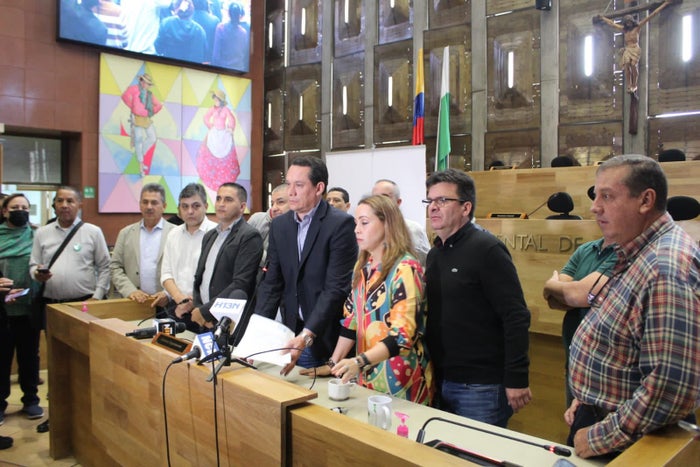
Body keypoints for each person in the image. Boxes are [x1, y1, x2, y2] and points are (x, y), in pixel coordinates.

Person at [565, 155, 700, 459]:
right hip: (606, 419)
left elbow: (669, 389)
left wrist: (600, 436)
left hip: (628, 444)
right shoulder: (637, 251)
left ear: (645, 201)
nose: (594, 207)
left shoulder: (664, 267)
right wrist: (588, 398)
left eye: (607, 196)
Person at [424, 169, 531, 428]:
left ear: (466, 207)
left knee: (479, 451)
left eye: (442, 200)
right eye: (430, 200)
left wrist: (517, 377)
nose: (433, 207)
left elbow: (515, 316)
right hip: (442, 378)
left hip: (481, 386)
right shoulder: (435, 254)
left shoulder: (486, 249)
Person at [300, 196, 433, 405]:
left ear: (388, 224)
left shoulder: (405, 268)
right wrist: (334, 363)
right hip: (367, 376)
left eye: (364, 223)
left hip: (402, 381)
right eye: (356, 223)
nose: (357, 230)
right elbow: (352, 321)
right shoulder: (364, 267)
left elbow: (402, 337)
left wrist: (358, 361)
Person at [254, 156, 358, 376]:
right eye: (288, 184)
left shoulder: (340, 224)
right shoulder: (280, 225)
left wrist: (307, 334)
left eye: (299, 185)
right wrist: (256, 334)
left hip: (324, 333)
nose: (290, 192)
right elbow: (272, 283)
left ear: (319, 188)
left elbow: (336, 288)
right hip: (291, 329)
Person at [542, 238, 617, 406]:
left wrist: (551, 284)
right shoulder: (586, 249)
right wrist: (567, 292)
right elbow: (555, 300)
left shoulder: (625, 252)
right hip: (575, 361)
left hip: (604, 369)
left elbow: (579, 295)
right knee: (573, 418)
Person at [188, 183, 263, 328]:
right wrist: (199, 308)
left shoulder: (249, 236)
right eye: (218, 199)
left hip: (227, 321)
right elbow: (199, 277)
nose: (221, 204)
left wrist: (206, 312)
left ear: (242, 207)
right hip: (203, 318)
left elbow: (241, 283)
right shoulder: (210, 235)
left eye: (228, 200)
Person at [0, 194, 43, 424]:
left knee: (29, 357)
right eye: (15, 207)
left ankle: (31, 399)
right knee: (2, 359)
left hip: (28, 308)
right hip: (2, 312)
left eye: (25, 208)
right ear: (5, 211)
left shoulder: (36, 235)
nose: (20, 211)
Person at [30, 186, 111, 305]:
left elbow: (105, 266)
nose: (64, 205)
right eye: (59, 201)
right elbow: (33, 264)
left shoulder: (93, 232)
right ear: (54, 204)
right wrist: (37, 274)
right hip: (51, 303)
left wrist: (97, 296)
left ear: (79, 205)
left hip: (85, 301)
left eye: (70, 201)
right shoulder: (41, 232)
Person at [110, 183, 174, 312]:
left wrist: (167, 293)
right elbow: (115, 267)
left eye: (154, 203)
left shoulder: (175, 233)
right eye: (145, 202)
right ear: (140, 205)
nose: (149, 207)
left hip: (166, 305)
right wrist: (130, 291)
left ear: (164, 206)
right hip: (134, 303)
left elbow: (183, 270)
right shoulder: (126, 233)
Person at [160, 183, 216, 329]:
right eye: (185, 206)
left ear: (206, 206)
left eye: (196, 206)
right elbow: (166, 274)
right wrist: (180, 298)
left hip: (205, 312)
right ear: (179, 209)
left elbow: (217, 279)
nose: (190, 211)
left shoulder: (216, 234)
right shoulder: (173, 234)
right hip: (176, 308)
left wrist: (193, 302)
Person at [594, 1, 675, 95]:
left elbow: (652, 15)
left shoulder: (637, 27)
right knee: (627, 66)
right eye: (627, 22)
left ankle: (634, 84)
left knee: (633, 66)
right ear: (625, 23)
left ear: (632, 22)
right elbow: (612, 24)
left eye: (629, 22)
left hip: (635, 48)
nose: (628, 24)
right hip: (628, 49)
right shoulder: (624, 30)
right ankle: (629, 85)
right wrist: (603, 18)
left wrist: (665, 4)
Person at [371, 179, 430, 264]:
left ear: (398, 202)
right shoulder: (367, 230)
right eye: (375, 198)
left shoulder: (414, 230)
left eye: (385, 197)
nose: (379, 202)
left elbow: (427, 263)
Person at [196, 89, 240, 191]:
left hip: (223, 134)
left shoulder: (226, 109)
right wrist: (210, 125)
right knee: (208, 151)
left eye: (217, 99)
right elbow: (206, 117)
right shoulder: (212, 109)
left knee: (226, 153)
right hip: (214, 133)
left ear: (221, 100)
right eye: (214, 99)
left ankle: (224, 176)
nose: (215, 101)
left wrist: (230, 128)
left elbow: (231, 119)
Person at [121, 73, 163, 176]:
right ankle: (141, 167)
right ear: (141, 81)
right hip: (136, 117)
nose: (146, 84)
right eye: (144, 82)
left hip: (145, 118)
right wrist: (133, 107)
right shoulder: (134, 89)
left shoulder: (149, 94)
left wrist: (150, 112)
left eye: (148, 83)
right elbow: (125, 96)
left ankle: (141, 157)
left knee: (152, 137)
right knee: (138, 140)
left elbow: (159, 105)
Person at [248, 183, 289, 259]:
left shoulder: (299, 228)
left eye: (280, 202)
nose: (274, 208)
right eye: (272, 203)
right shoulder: (257, 219)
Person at [212, 2, 249, 71]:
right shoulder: (243, 32)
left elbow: (216, 55)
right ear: (239, 15)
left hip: (223, 69)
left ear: (228, 13)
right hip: (239, 70)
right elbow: (244, 53)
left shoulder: (220, 28)